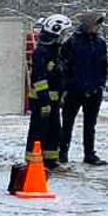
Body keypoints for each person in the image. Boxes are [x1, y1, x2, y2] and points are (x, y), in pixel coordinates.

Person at [60, 11, 108, 166]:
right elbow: (64, 65)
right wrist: (67, 86)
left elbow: (103, 65)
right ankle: (62, 153)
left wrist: (100, 84)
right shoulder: (72, 42)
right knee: (67, 123)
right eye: (95, 24)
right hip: (74, 90)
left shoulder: (100, 43)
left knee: (90, 125)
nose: (97, 27)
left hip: (94, 90)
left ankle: (89, 154)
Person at [26, 14, 73, 170]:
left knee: (54, 131)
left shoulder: (55, 50)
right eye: (63, 33)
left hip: (52, 99)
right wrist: (45, 100)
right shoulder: (42, 51)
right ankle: (34, 161)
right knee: (39, 131)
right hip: (41, 100)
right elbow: (38, 78)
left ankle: (50, 161)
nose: (65, 37)